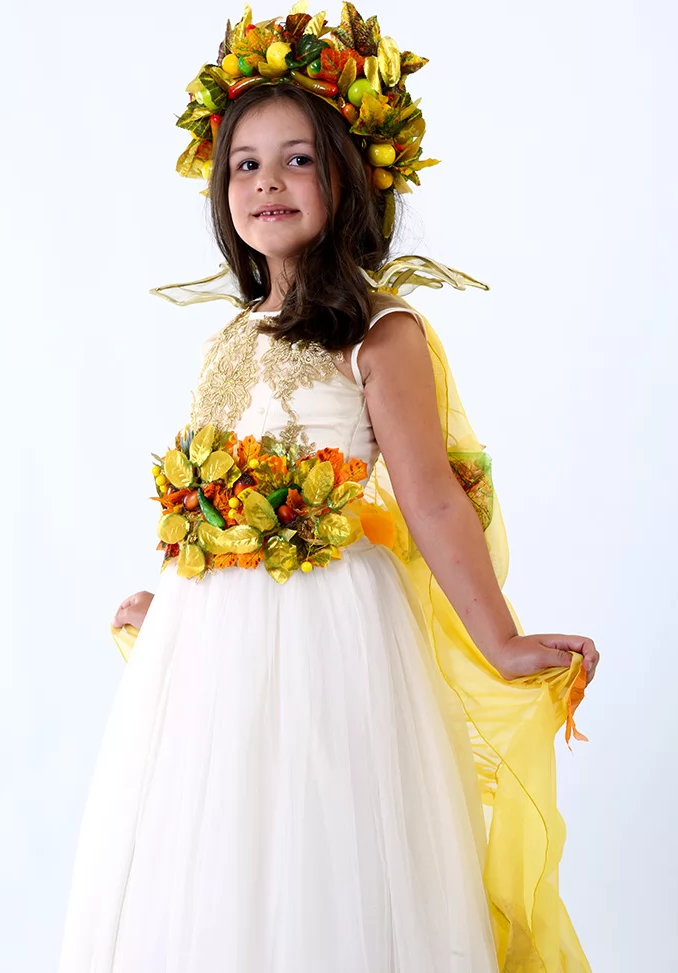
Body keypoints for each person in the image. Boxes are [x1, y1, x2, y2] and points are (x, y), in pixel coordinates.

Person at [58, 5, 599, 971]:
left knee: (323, 842)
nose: (267, 181)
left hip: (331, 635)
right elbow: (219, 482)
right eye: (245, 163)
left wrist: (501, 638)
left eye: (298, 158)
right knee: (213, 846)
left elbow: (431, 498)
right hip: (210, 643)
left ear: (350, 176)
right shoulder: (230, 336)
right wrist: (173, 595)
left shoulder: (381, 334)